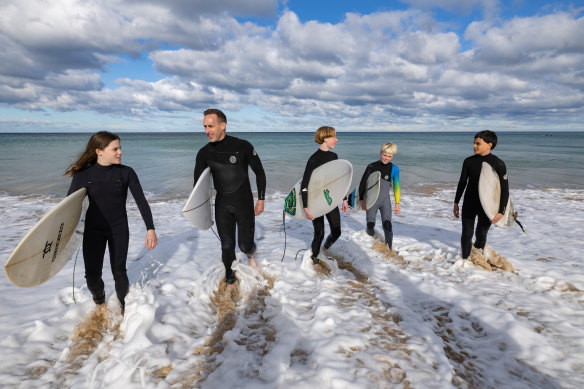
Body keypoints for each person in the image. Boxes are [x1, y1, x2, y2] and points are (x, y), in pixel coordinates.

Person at [65, 131, 158, 311]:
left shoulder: (126, 173)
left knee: (119, 272)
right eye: (115, 149)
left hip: (118, 229)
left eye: (120, 148)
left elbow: (141, 201)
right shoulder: (83, 175)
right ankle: (100, 301)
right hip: (93, 231)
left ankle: (123, 311)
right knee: (92, 277)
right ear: (99, 151)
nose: (120, 152)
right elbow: (68, 208)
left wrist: (150, 228)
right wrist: (64, 236)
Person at [193, 108, 266, 287]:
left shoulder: (243, 146)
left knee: (245, 245)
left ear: (223, 125)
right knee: (226, 245)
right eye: (204, 127)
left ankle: (250, 255)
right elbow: (198, 187)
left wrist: (261, 198)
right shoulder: (204, 153)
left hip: (244, 203)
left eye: (210, 126)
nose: (207, 131)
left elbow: (260, 172)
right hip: (222, 204)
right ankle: (230, 279)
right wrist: (203, 213)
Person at [453, 130, 508, 259]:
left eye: (478, 143)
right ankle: (464, 261)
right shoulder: (468, 161)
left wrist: (501, 211)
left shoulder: (498, 164)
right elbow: (462, 183)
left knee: (481, 233)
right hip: (469, 202)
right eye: (474, 143)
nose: (474, 146)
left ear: (489, 144)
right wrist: (456, 202)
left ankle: (477, 258)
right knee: (466, 233)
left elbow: (505, 189)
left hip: (487, 206)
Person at [302, 126, 349, 264]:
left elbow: (338, 181)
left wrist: (344, 199)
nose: (336, 139)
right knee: (319, 233)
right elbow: (305, 185)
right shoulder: (313, 160)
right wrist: (305, 206)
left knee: (337, 231)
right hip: (316, 201)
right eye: (334, 137)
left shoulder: (334, 156)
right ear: (325, 138)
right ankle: (314, 259)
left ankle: (325, 248)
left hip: (330, 199)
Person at [359, 142, 400, 250]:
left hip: (385, 201)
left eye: (389, 156)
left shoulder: (394, 169)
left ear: (392, 156)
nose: (386, 158)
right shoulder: (372, 166)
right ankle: (370, 240)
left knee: (388, 225)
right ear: (380, 153)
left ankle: (389, 248)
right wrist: (362, 200)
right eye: (384, 155)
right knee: (370, 224)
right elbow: (363, 183)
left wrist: (397, 204)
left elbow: (396, 187)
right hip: (371, 201)